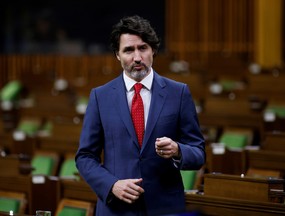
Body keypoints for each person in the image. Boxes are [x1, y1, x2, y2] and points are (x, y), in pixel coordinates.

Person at [75, 15, 205, 216]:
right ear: (117, 55)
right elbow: (85, 157)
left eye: (142, 48)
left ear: (153, 49)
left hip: (166, 208)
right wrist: (112, 185)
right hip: (116, 209)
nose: (137, 57)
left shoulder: (178, 93)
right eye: (128, 50)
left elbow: (198, 153)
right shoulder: (100, 97)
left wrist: (178, 150)